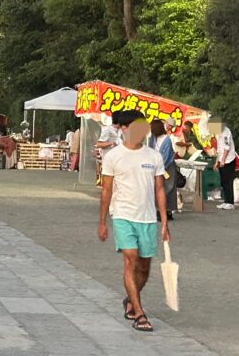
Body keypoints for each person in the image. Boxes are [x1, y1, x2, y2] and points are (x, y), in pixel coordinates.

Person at [97, 109, 170, 333]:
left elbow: (159, 189)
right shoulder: (113, 157)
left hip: (147, 217)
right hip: (122, 215)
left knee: (144, 267)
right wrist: (102, 222)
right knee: (130, 259)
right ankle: (139, 313)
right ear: (124, 129)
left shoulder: (153, 156)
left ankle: (130, 299)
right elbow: (106, 190)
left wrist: (164, 220)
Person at [150, 118, 178, 220]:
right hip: (156, 166)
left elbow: (166, 157)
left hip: (167, 167)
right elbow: (150, 150)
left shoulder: (167, 140)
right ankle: (159, 210)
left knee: (168, 189)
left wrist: (159, 169)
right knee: (157, 188)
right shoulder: (153, 138)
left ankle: (168, 211)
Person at [209, 116, 237, 210]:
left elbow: (226, 148)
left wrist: (223, 160)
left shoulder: (226, 132)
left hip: (229, 160)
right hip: (221, 159)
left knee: (228, 181)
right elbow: (219, 149)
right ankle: (226, 201)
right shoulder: (217, 133)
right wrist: (217, 161)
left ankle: (230, 202)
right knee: (223, 181)